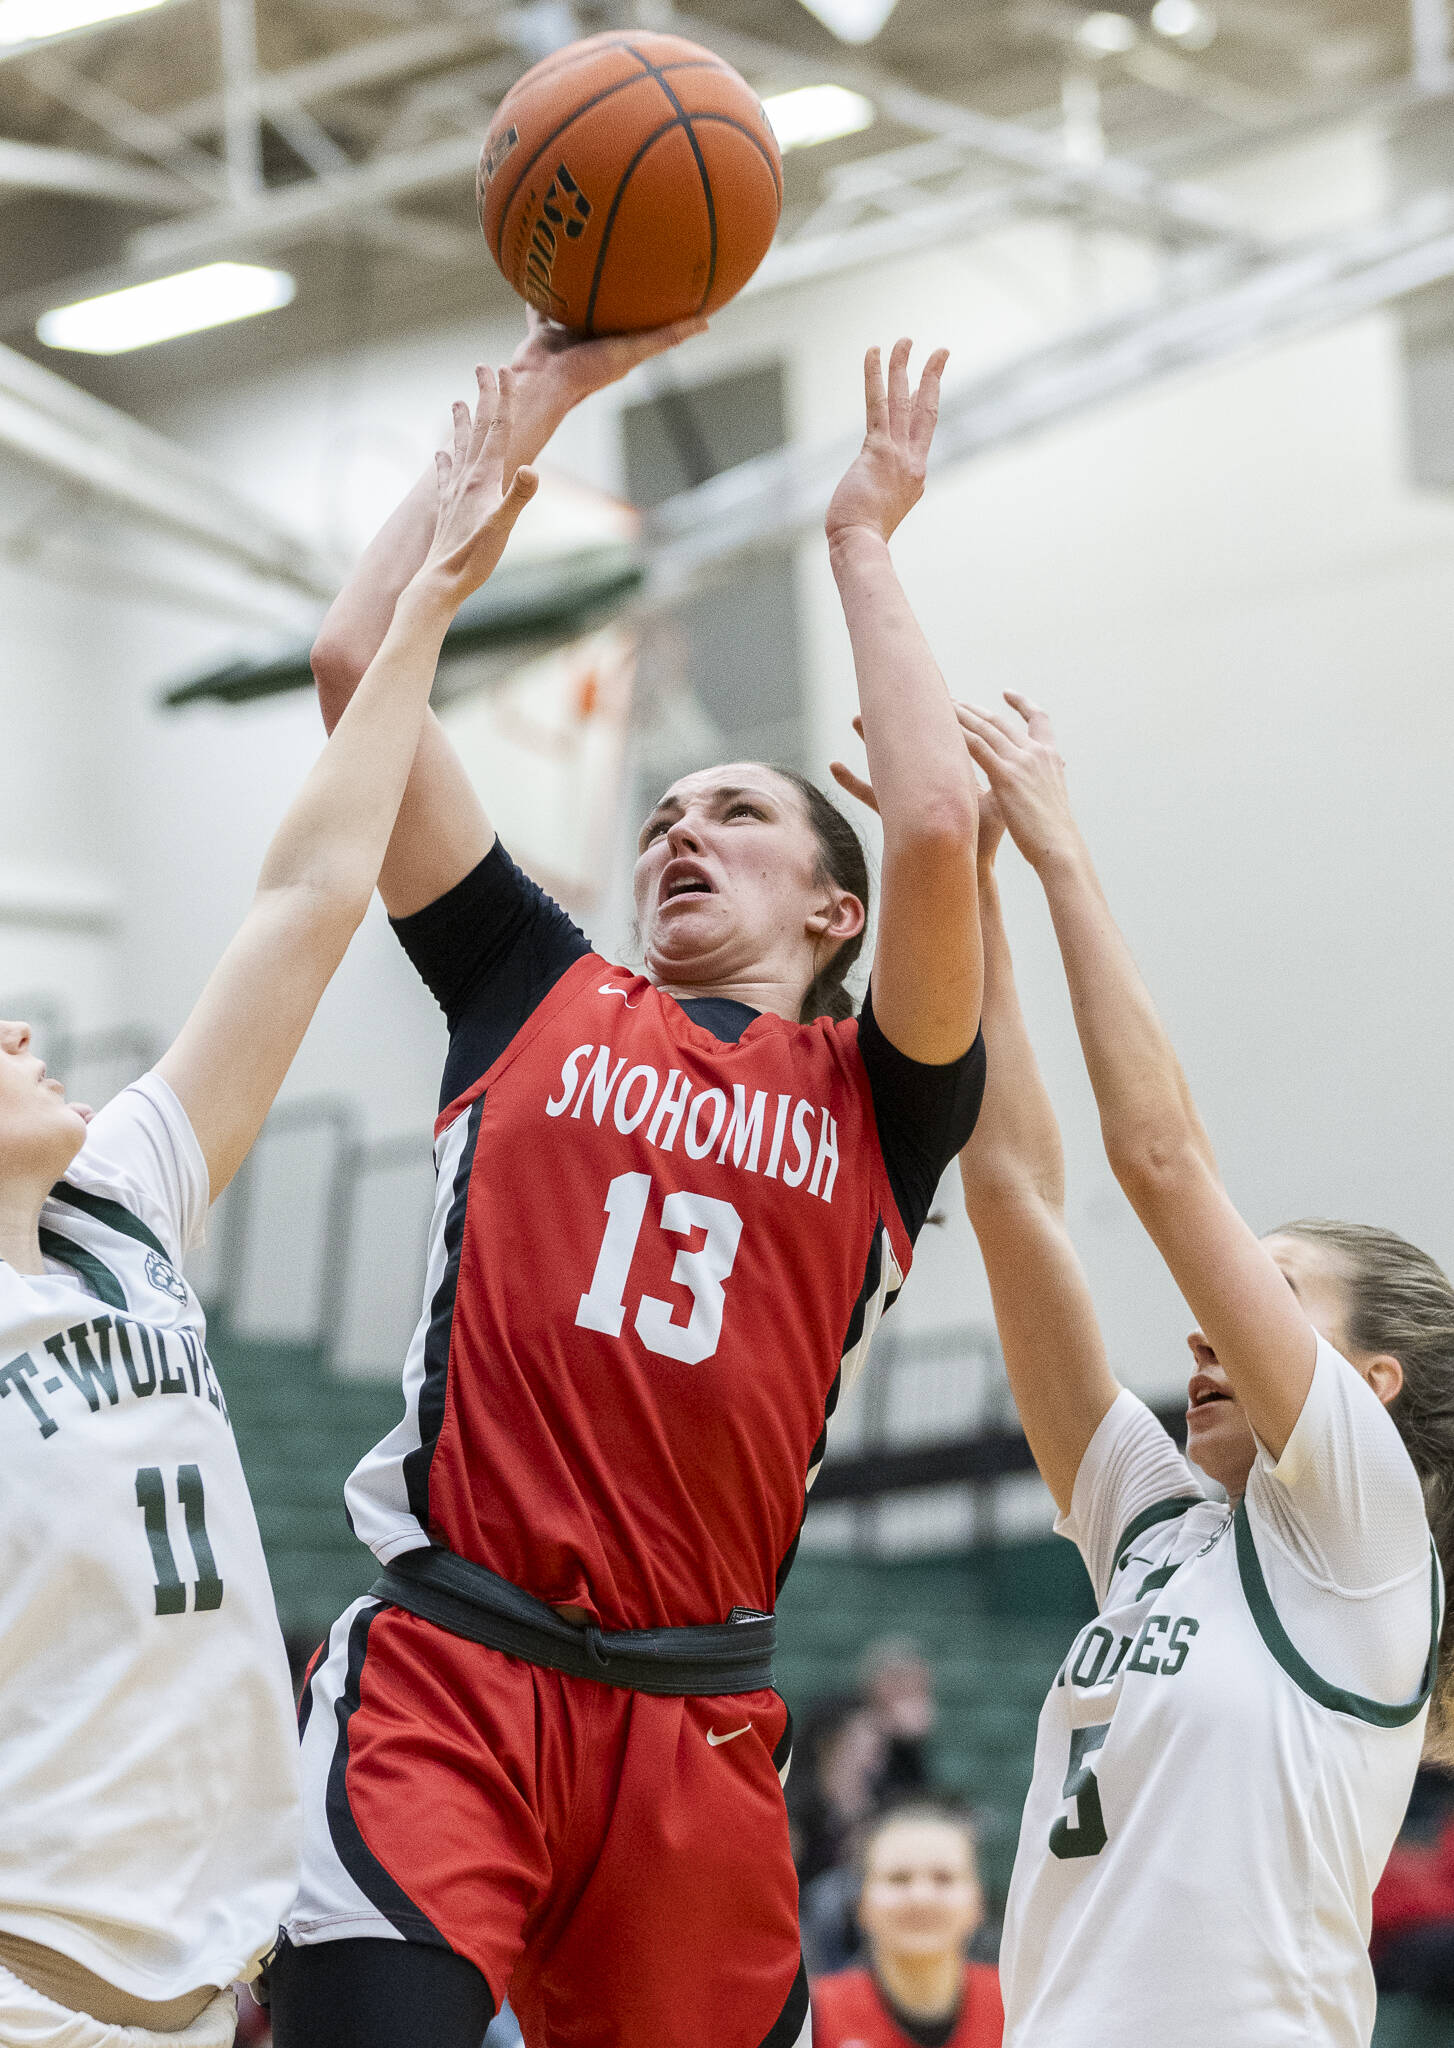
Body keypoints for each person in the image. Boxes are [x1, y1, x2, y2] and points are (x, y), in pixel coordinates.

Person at [267, 332, 987, 2048]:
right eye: (658, 812)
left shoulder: (878, 1098)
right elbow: (359, 659)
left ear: (833, 913)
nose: (678, 831)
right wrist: (511, 443)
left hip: (696, 1720)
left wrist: (861, 542)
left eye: (734, 812)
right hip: (451, 1670)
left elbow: (941, 826)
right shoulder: (530, 979)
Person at [0, 377, 539, 2048]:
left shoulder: (120, 1197)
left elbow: (309, 893)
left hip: (204, 2005)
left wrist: (424, 606)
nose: (17, 1028)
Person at [835, 693, 1450, 2046]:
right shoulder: (1158, 1533)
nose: (1201, 1324)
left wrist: (1061, 849)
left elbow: (1159, 1163)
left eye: (1270, 1290)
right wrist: (962, 886)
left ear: (1370, 1383)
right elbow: (1009, 1193)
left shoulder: (1362, 1537)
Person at [811, 1804, 1003, 2048]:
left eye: (943, 1878)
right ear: (860, 1905)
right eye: (898, 1879)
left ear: (978, 1903)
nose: (921, 1897)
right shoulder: (811, 2014)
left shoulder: (1021, 2002)